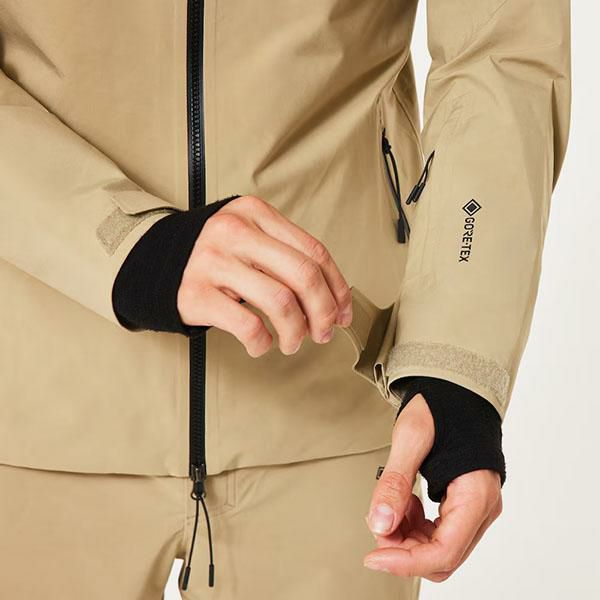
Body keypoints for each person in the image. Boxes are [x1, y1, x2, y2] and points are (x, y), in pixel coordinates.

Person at [0, 1, 571, 598]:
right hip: (38, 400)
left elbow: (500, 48)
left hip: (335, 391)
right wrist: (126, 245)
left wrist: (455, 360)